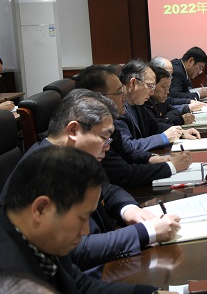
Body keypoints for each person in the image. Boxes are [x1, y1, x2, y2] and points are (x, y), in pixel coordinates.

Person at [0, 89, 182, 277]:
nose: (108, 147)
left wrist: (129, 209)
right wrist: (147, 231)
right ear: (73, 130)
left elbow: (108, 189)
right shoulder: (42, 172)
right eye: (104, 137)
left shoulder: (70, 158)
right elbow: (74, 250)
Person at [0, 144, 169, 293]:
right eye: (82, 218)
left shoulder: (43, 235)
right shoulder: (11, 280)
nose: (86, 230)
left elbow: (79, 286)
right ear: (41, 209)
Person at [76, 65, 191, 188]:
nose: (123, 96)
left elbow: (127, 151)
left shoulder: (128, 109)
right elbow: (124, 174)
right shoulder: (92, 131)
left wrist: (151, 158)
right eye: (119, 92)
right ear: (98, 98)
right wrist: (171, 166)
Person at [115, 58, 199, 152]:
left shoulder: (137, 102)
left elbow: (153, 125)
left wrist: (180, 132)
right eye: (150, 86)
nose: (152, 92)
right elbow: (128, 146)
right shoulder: (117, 109)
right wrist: (163, 138)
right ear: (133, 83)